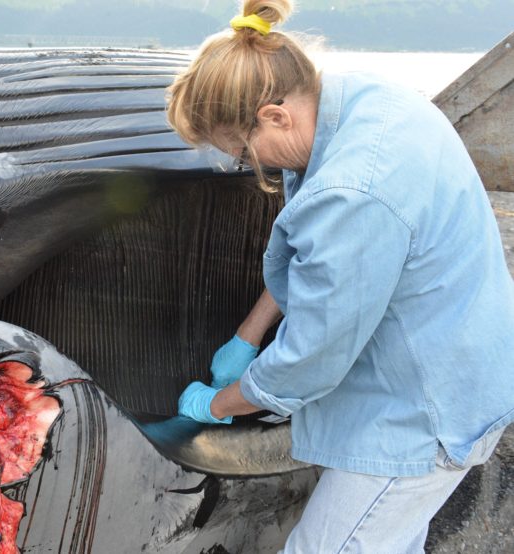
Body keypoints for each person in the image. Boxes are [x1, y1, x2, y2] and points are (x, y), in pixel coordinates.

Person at [166, 0, 514, 552]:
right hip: (457, 349)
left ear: (275, 115)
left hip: (425, 411)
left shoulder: (356, 191)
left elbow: (310, 360)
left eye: (241, 151)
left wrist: (217, 405)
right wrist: (247, 336)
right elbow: (321, 262)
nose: (248, 165)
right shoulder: (364, 99)